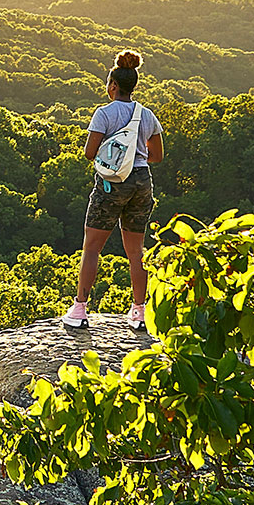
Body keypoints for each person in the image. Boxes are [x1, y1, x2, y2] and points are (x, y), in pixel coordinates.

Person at [62, 51, 162, 332]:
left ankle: (80, 309)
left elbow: (89, 153)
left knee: (92, 247)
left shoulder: (104, 114)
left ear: (113, 86)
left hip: (111, 185)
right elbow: (157, 156)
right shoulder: (147, 115)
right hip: (142, 181)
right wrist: (135, 158)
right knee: (136, 251)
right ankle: (139, 313)